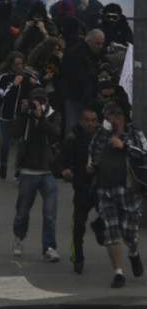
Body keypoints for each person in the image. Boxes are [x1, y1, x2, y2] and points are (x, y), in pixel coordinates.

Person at [86, 103, 147, 288]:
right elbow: (92, 154)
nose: (113, 120)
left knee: (129, 233)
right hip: (106, 190)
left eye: (117, 115)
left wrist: (125, 145)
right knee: (111, 231)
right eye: (109, 116)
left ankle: (134, 253)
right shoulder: (100, 135)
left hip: (129, 191)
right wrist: (90, 165)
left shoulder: (135, 133)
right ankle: (118, 272)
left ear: (123, 117)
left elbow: (144, 154)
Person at [11, 88, 63, 262]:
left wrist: (41, 118)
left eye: (41, 100)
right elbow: (15, 133)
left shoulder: (53, 115)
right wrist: (23, 114)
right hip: (28, 171)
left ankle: (49, 247)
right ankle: (18, 237)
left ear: (47, 101)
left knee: (49, 213)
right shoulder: (26, 116)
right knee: (22, 212)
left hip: (48, 171)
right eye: (35, 101)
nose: (38, 104)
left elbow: (56, 133)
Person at [59, 106, 99, 274]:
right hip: (82, 186)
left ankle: (100, 228)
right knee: (78, 225)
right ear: (82, 121)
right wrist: (65, 170)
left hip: (99, 187)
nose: (91, 124)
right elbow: (61, 161)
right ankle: (78, 257)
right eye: (87, 121)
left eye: (93, 121)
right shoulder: (73, 138)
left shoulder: (101, 137)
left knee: (108, 217)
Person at [0, 52, 40, 179]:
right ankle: (3, 164)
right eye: (16, 64)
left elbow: (38, 91)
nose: (19, 67)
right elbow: (3, 94)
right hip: (7, 115)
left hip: (23, 116)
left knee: (22, 144)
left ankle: (19, 171)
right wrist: (14, 84)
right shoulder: (4, 78)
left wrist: (34, 85)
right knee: (6, 143)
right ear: (11, 65)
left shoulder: (28, 76)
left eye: (21, 64)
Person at [61, 29, 106, 133]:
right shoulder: (76, 54)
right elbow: (77, 78)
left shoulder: (88, 53)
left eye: (101, 44)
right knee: (74, 127)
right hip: (75, 96)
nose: (100, 46)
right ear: (89, 41)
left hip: (82, 97)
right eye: (97, 43)